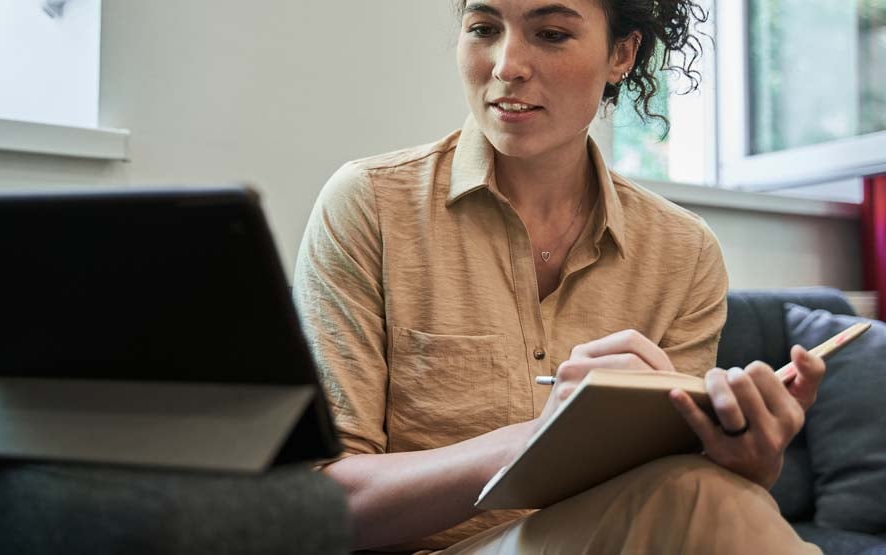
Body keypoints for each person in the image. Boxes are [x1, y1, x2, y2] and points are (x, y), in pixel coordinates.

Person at [292, 1, 826, 553]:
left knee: (701, 490)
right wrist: (542, 437)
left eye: (549, 34)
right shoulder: (371, 205)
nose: (506, 65)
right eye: (483, 29)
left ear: (622, 53)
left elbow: (672, 486)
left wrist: (750, 460)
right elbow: (321, 504)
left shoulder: (683, 252)